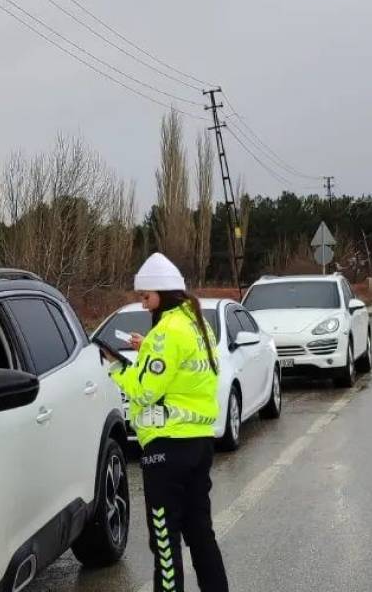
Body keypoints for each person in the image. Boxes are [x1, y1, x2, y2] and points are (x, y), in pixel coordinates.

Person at [104, 252, 229, 592]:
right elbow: (183, 373)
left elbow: (144, 391)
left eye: (145, 297)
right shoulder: (197, 326)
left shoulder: (166, 334)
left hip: (166, 449)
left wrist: (116, 365)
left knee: (164, 538)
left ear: (163, 293)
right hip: (200, 442)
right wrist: (147, 348)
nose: (143, 305)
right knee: (201, 533)